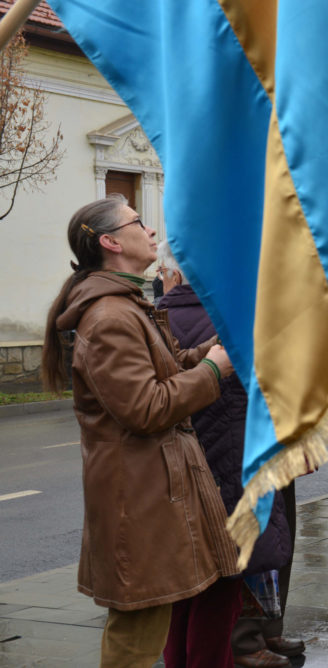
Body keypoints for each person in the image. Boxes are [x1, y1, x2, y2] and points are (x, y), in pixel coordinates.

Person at [40, 196, 239, 667]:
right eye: (139, 222)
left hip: (151, 493)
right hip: (139, 500)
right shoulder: (110, 317)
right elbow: (146, 407)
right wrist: (213, 371)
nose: (151, 231)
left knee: (147, 628)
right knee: (136, 639)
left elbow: (169, 369)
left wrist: (218, 348)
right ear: (111, 242)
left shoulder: (127, 305)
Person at [156, 244, 299, 668]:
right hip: (236, 451)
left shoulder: (158, 318)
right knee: (232, 567)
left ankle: (250, 638)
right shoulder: (230, 318)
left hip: (196, 455)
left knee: (202, 576)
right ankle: (246, 642)